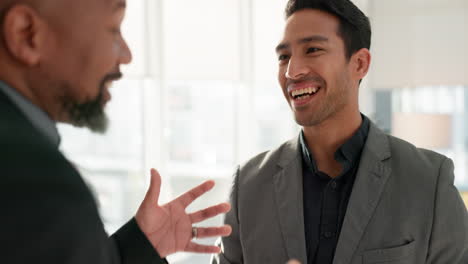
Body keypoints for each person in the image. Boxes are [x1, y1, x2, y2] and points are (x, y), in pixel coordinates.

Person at [213, 0, 468, 263]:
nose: (292, 71)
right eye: (283, 56)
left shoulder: (428, 181)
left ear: (359, 64)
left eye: (312, 49)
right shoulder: (248, 186)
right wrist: (164, 254)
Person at [0, 0, 231, 263]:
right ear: (26, 34)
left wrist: (138, 245)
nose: (126, 55)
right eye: (113, 29)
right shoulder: (38, 182)